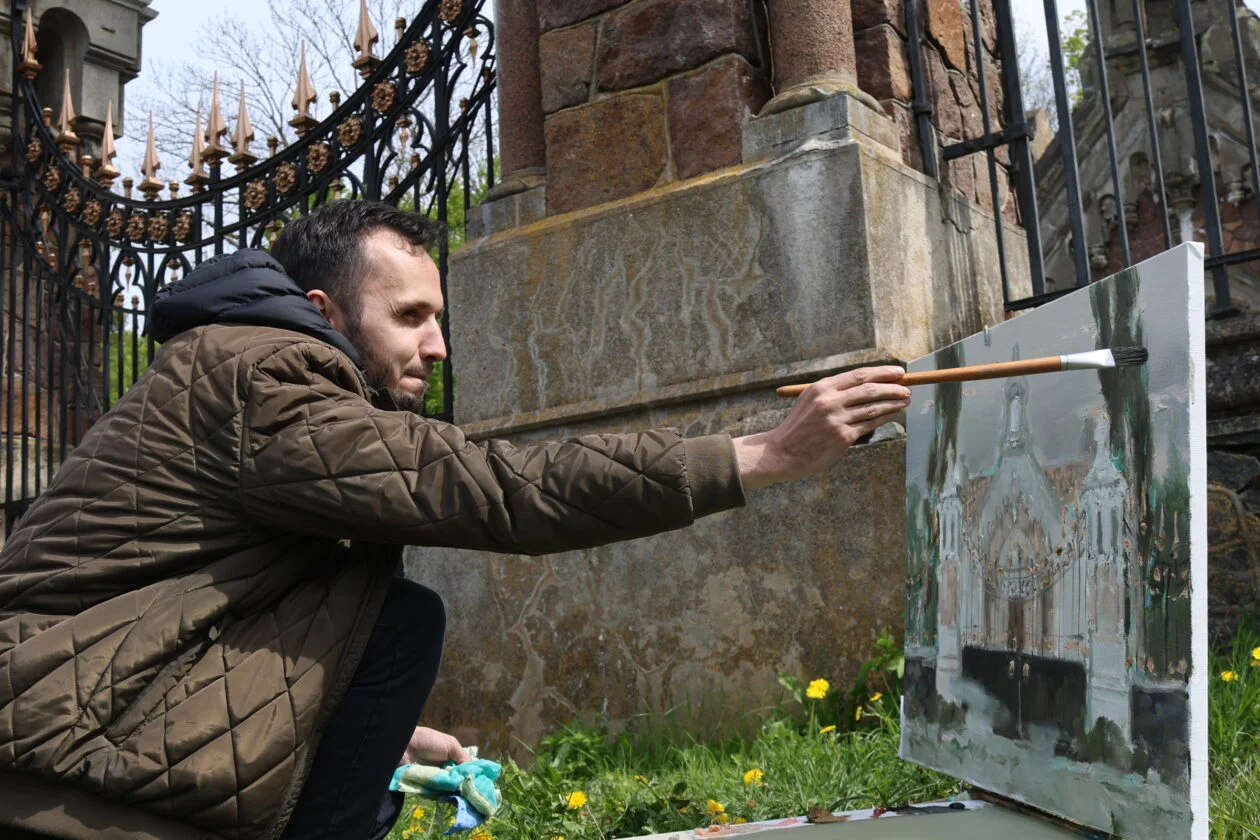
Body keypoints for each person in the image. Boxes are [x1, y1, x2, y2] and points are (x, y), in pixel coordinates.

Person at [0, 200, 911, 840]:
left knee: (385, 618)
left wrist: (356, 734)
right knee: (404, 621)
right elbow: (495, 486)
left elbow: (213, 608)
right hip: (53, 762)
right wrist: (760, 455)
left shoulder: (243, 374)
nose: (436, 345)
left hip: (75, 726)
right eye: (410, 315)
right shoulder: (266, 378)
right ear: (323, 310)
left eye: (439, 317)